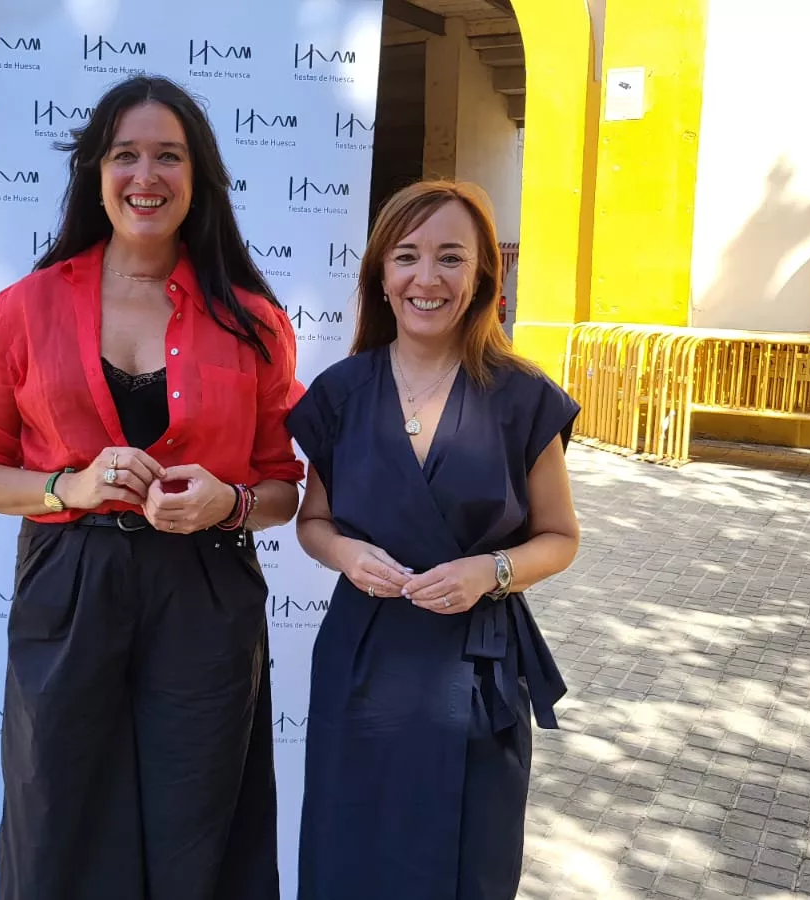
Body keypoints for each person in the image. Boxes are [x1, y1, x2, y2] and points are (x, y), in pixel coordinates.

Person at [0, 74, 304, 900]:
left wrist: (232, 502)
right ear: (95, 173)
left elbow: (286, 488)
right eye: (126, 155)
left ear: (198, 175)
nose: (147, 175)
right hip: (70, 587)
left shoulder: (252, 320)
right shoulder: (27, 308)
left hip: (206, 587)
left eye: (169, 156)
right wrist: (69, 485)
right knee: (61, 814)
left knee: (200, 818)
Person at [286, 180, 582, 900]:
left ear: (482, 275)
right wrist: (348, 555)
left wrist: (492, 569)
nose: (428, 278)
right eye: (407, 256)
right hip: (363, 662)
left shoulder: (521, 395)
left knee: (466, 867)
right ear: (381, 275)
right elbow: (313, 523)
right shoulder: (340, 393)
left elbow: (561, 537)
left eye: (451, 258)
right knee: (351, 851)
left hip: (475, 670)